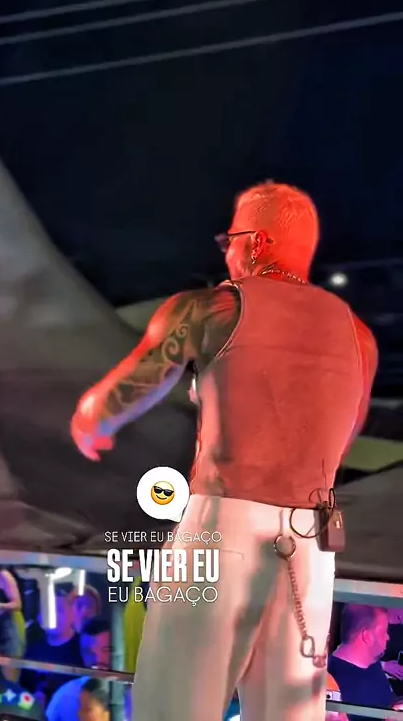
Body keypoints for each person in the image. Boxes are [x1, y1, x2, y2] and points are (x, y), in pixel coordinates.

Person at [71, 182, 378, 721]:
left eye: (229, 239)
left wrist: (90, 421)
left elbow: (110, 404)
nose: (226, 252)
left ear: (255, 243)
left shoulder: (215, 308)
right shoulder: (359, 337)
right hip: (311, 544)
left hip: (222, 526)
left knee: (176, 705)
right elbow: (343, 438)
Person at [328, 605, 403, 720]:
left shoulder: (371, 661)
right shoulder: (333, 684)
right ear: (367, 636)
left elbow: (386, 703)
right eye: (383, 632)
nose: (387, 637)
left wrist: (396, 709)